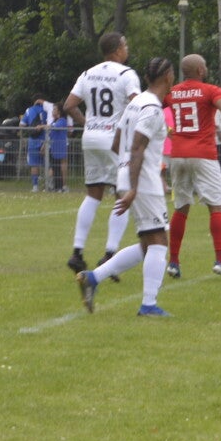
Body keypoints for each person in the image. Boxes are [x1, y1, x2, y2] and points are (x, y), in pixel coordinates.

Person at [75, 57, 179, 318]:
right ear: (168, 76)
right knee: (159, 242)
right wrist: (134, 186)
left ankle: (93, 278)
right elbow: (137, 147)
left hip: (127, 176)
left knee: (147, 244)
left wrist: (124, 173)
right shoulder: (152, 108)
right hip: (143, 181)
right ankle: (148, 305)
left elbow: (117, 142)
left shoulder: (135, 103)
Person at [163, 54, 221, 280]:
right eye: (205, 66)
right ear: (200, 70)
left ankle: (173, 262)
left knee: (181, 207)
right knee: (217, 206)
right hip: (203, 154)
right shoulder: (210, 90)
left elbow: (153, 108)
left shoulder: (172, 92)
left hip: (178, 154)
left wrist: (166, 131)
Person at [63, 32, 142, 273]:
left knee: (93, 194)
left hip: (91, 138)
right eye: (125, 45)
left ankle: (77, 252)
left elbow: (69, 105)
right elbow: (137, 104)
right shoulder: (126, 74)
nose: (127, 49)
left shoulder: (88, 73)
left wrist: (88, 123)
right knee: (122, 195)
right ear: (117, 50)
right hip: (115, 140)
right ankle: (109, 253)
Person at [21, 93, 52, 193]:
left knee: (34, 164)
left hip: (33, 140)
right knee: (48, 164)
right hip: (46, 139)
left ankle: (35, 186)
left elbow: (22, 124)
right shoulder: (48, 110)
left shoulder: (29, 110)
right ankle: (48, 185)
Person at [48, 107, 71, 192]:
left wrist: (43, 126)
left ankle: (60, 187)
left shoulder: (62, 121)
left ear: (59, 112)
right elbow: (50, 133)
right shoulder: (54, 121)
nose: (52, 111)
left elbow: (55, 127)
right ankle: (53, 186)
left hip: (59, 147)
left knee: (58, 167)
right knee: (54, 167)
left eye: (54, 110)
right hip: (53, 147)